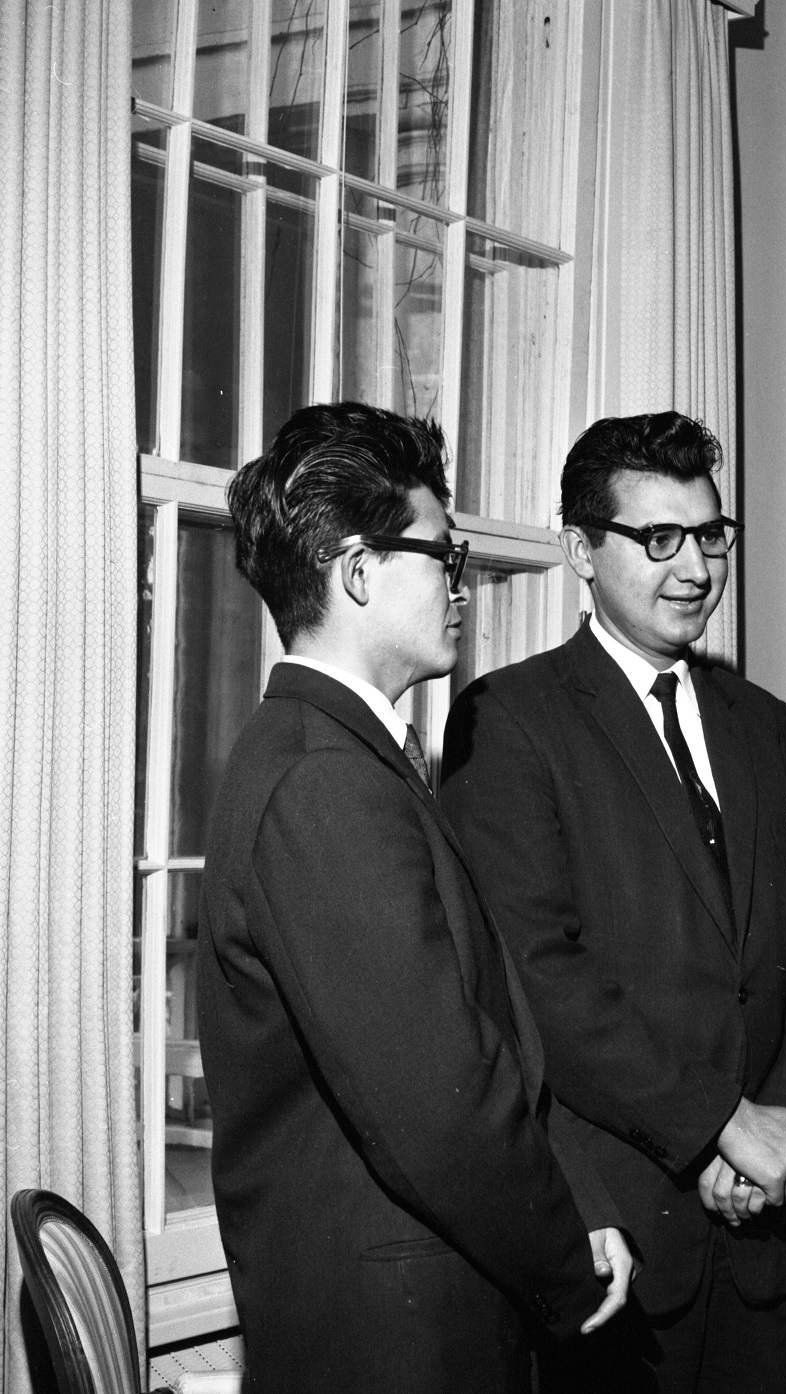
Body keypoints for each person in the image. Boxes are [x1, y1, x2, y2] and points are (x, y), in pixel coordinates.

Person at [198, 402, 633, 1393]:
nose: (460, 586)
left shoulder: (337, 757)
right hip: (399, 1344)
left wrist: (577, 1193)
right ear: (357, 571)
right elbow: (439, 1105)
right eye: (445, 554)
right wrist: (567, 1262)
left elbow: (475, 1037)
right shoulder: (323, 781)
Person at [441, 410, 786, 1394]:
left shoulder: (767, 727)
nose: (695, 567)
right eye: (656, 538)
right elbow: (536, 975)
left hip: (760, 1244)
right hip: (617, 1248)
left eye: (710, 535)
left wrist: (776, 1138)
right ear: (581, 550)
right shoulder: (511, 719)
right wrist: (720, 1121)